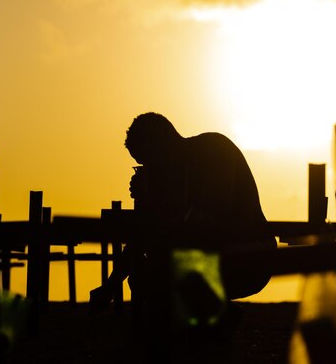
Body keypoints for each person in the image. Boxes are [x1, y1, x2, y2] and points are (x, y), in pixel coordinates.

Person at [89, 112, 277, 323]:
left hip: (248, 259)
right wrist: (110, 286)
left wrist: (157, 198)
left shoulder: (214, 150)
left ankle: (217, 319)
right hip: (214, 260)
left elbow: (208, 219)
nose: (149, 170)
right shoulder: (168, 183)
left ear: (161, 148)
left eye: (149, 162)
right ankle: (215, 319)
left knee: (157, 273)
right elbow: (141, 235)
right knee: (144, 277)